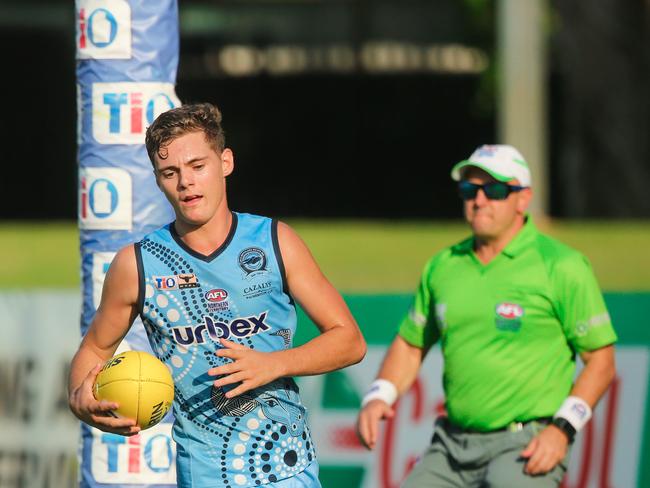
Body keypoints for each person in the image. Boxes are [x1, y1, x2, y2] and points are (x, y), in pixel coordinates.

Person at [69, 103, 367, 488]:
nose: (186, 183)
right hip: (204, 476)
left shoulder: (276, 242)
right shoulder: (137, 265)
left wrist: (273, 364)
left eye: (197, 166)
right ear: (158, 180)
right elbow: (94, 350)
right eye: (170, 173)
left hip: (287, 471)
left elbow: (350, 340)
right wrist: (80, 397)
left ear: (225, 162)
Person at [356, 144, 617, 487]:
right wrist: (380, 395)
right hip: (450, 444)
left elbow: (601, 359)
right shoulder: (444, 265)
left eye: (494, 190)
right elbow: (410, 344)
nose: (479, 200)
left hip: (526, 442)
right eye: (469, 190)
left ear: (523, 199)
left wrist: (563, 428)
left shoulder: (561, 265)